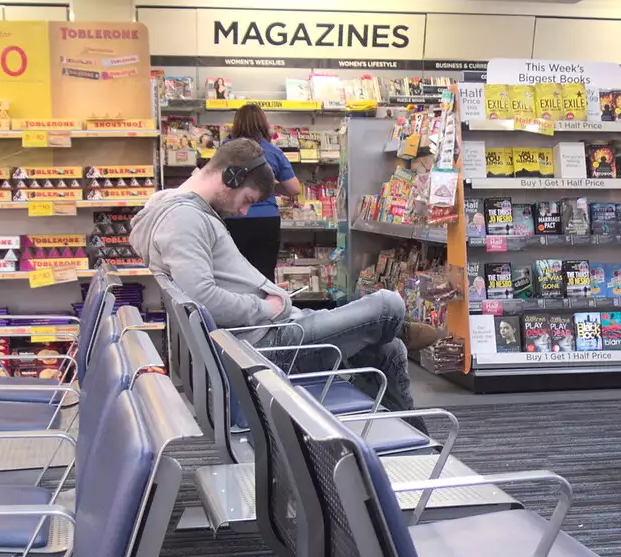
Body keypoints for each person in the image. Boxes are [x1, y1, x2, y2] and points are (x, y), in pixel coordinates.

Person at [131, 137, 442, 412]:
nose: (243, 212)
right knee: (388, 305)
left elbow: (207, 287)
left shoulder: (182, 212)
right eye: (248, 200)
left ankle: (415, 447)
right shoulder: (184, 219)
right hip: (266, 348)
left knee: (388, 350)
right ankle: (393, 327)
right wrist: (265, 306)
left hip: (264, 335)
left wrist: (264, 292)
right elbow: (202, 298)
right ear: (230, 176)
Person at [216, 103, 302, 281]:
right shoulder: (273, 151)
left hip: (232, 219)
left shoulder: (224, 150)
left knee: (232, 276)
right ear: (263, 124)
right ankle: (266, 307)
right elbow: (294, 189)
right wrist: (268, 186)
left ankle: (239, 308)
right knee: (264, 277)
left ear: (237, 124)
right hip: (266, 220)